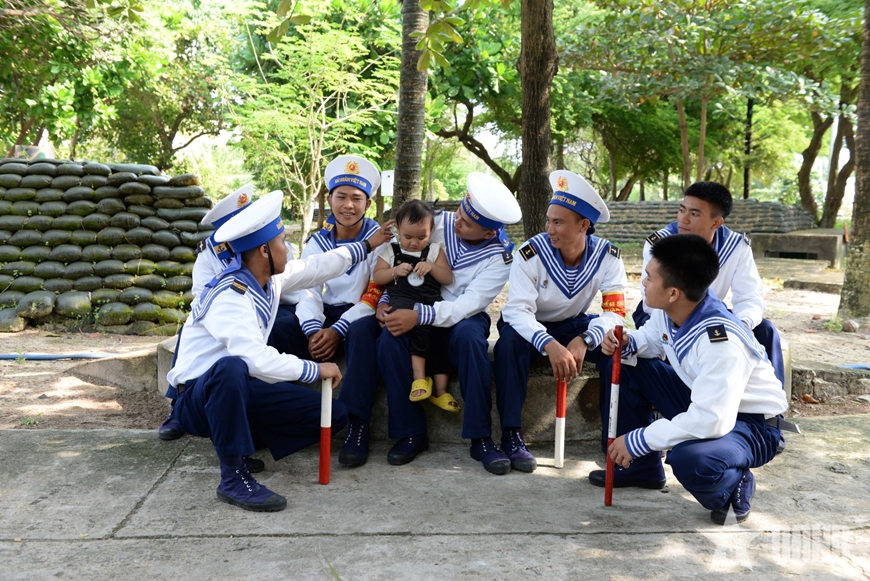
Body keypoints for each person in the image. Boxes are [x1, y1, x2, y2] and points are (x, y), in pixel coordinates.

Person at [165, 191, 394, 512]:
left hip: (238, 392)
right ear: (262, 250)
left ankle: (242, 440)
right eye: (282, 241)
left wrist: (368, 245)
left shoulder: (269, 277)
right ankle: (233, 475)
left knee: (334, 414)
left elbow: (319, 265)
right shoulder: (230, 295)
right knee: (231, 367)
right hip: (199, 400)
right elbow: (253, 359)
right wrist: (315, 369)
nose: (288, 248)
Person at [592, 233, 788, 525]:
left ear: (673, 292)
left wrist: (640, 439)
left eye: (649, 277)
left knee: (690, 460)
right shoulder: (675, 309)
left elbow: (711, 420)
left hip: (751, 423)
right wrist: (628, 343)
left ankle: (733, 482)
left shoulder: (721, 341)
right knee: (630, 362)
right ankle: (643, 470)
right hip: (707, 400)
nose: (643, 282)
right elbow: (653, 340)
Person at [336, 172, 521, 470]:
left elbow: (466, 305)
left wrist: (419, 315)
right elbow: (397, 259)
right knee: (376, 334)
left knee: (472, 341)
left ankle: (481, 438)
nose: (456, 223)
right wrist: (385, 303)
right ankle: (404, 432)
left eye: (467, 224)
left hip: (458, 318)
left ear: (488, 233)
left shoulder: (500, 257)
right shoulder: (436, 222)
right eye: (460, 213)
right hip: (407, 302)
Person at [493, 170, 627, 474]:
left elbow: (615, 314)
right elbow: (517, 312)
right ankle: (512, 435)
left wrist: (586, 340)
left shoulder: (608, 257)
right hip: (528, 325)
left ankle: (612, 437)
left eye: (558, 222)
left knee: (614, 348)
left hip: (574, 325)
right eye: (548, 220)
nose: (549, 229)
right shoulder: (531, 254)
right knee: (508, 346)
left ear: (584, 225)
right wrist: (549, 344)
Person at [633, 181, 785, 388]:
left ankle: (772, 409)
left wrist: (743, 324)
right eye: (682, 210)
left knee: (765, 330)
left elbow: (750, 297)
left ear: (716, 223)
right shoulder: (661, 244)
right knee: (654, 339)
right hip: (663, 313)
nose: (683, 220)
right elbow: (652, 300)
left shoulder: (736, 247)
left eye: (694, 214)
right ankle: (674, 398)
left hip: (711, 314)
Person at [281, 155, 387, 363]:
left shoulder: (379, 241)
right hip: (326, 312)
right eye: (341, 197)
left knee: (360, 332)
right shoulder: (317, 243)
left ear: (368, 204)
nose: (348, 205)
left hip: (362, 314)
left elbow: (375, 293)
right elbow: (307, 291)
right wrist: (313, 330)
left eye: (356, 199)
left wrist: (337, 330)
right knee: (280, 331)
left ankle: (354, 397)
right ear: (330, 200)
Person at [371, 200, 457, 413]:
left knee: (441, 337)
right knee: (418, 333)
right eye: (407, 237)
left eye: (421, 237)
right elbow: (378, 276)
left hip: (430, 302)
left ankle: (441, 390)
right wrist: (394, 271)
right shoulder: (390, 251)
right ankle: (419, 379)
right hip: (403, 302)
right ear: (398, 230)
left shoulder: (436, 250)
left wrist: (432, 267)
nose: (413, 243)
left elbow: (447, 277)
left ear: (431, 231)